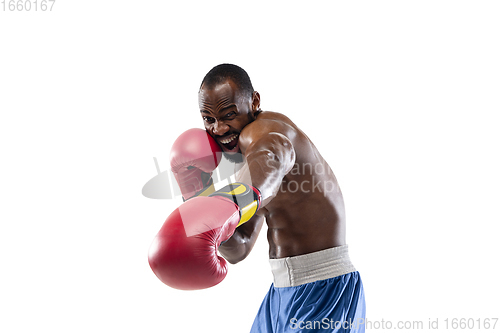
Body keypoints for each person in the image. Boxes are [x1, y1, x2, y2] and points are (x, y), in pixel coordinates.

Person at [149, 64, 366, 332]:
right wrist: (196, 190)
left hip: (324, 291)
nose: (218, 128)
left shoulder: (266, 133)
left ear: (254, 101)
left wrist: (225, 202)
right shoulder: (247, 164)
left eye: (229, 114)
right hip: (281, 292)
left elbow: (273, 155)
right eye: (208, 119)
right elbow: (239, 247)